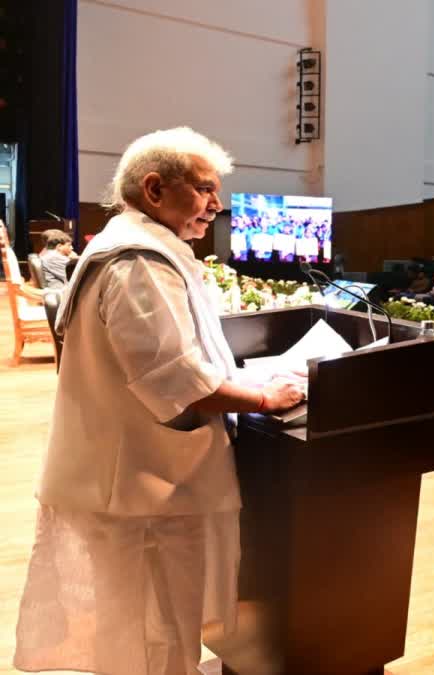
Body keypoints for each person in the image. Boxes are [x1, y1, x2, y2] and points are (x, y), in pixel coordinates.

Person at [13, 128, 306, 675]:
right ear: (154, 190)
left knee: (148, 631)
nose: (216, 205)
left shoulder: (132, 247)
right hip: (144, 492)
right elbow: (180, 382)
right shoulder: (139, 264)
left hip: (133, 481)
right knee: (159, 635)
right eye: (205, 189)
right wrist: (267, 396)